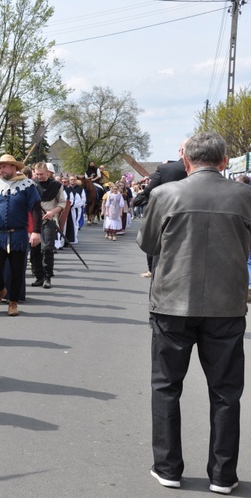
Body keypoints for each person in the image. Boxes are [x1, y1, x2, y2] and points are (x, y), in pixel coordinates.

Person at [137, 132, 251, 495]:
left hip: (173, 301)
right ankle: (223, 474)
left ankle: (168, 467)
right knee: (226, 392)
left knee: (167, 386)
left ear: (186, 161)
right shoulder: (245, 196)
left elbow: (149, 243)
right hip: (226, 304)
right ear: (223, 161)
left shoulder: (164, 194)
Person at [0, 154, 42, 316]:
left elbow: (35, 208)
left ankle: (13, 302)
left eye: (4, 166)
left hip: (18, 234)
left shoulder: (27, 185)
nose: (1, 169)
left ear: (14, 168)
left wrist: (36, 231)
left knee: (17, 270)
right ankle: (0, 290)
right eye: (0, 167)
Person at [138, 141, 188, 278]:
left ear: (182, 151)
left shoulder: (166, 169)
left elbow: (149, 190)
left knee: (157, 246)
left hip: (167, 213)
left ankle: (153, 271)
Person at [29, 162, 66, 289]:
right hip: (34, 221)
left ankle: (47, 276)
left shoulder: (56, 186)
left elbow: (62, 203)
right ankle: (38, 276)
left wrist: (52, 212)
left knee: (47, 248)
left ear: (48, 173)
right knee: (34, 250)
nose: (39, 177)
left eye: (42, 174)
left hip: (49, 220)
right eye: (37, 174)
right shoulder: (30, 185)